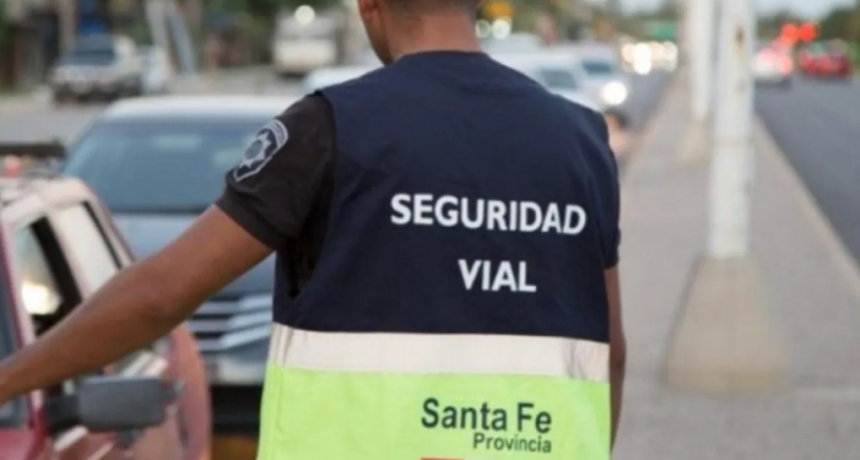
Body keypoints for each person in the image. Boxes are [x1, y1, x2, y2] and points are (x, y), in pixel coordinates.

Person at [0, 0, 626, 458]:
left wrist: (8, 378)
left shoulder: (332, 128)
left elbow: (161, 295)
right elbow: (611, 352)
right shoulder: (581, 140)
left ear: (370, 8)